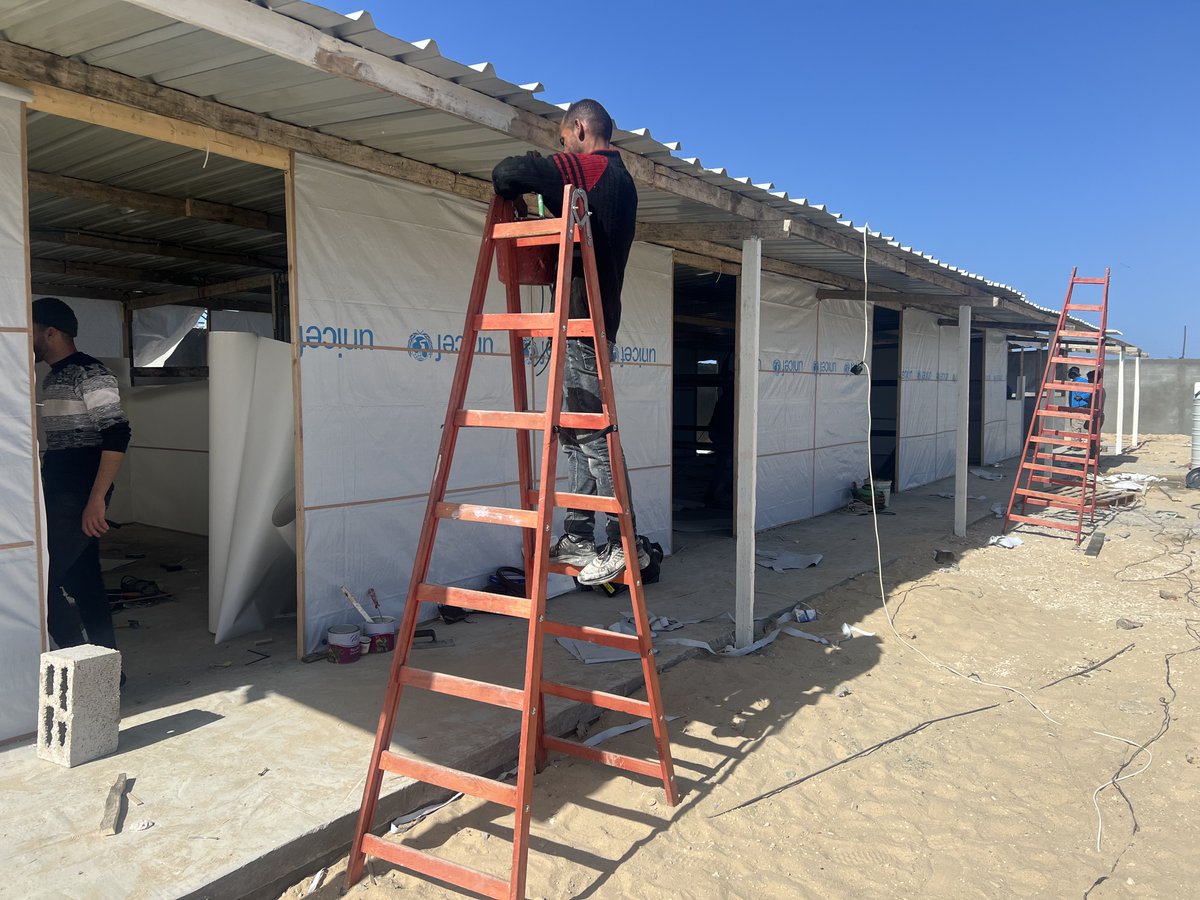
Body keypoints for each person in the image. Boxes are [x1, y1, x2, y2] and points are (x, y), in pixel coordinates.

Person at [491, 99, 648, 585]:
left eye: (562, 139)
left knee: (595, 433)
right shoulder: (616, 181)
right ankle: (579, 533)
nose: (561, 148)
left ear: (579, 128)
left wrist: (536, 174)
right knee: (575, 430)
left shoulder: (594, 166)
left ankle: (624, 542)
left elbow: (508, 173)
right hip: (587, 318)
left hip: (585, 318)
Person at [33, 298, 131, 663]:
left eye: (32, 332)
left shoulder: (90, 373)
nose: (28, 339)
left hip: (78, 493)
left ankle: (82, 666)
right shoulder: (52, 376)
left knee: (41, 583)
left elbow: (117, 434)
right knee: (84, 582)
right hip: (60, 487)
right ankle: (105, 669)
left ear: (51, 332)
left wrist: (96, 500)